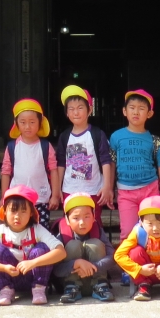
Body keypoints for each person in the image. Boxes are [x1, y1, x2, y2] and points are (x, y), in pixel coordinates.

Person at [0, 185, 67, 306]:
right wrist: (3, 268)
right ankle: (6, 290)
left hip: (34, 276)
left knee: (42, 248)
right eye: (13, 211)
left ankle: (39, 290)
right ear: (5, 211)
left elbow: (61, 252)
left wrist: (33, 263)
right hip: (11, 276)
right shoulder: (0, 231)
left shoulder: (37, 229)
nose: (17, 216)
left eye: (23, 211)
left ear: (31, 213)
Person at [109, 90, 160, 244]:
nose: (136, 112)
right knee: (128, 232)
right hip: (125, 192)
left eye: (141, 108)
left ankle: (153, 257)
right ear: (124, 111)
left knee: (154, 229)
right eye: (132, 107)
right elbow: (111, 164)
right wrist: (109, 189)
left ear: (149, 114)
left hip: (150, 190)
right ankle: (128, 260)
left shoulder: (154, 140)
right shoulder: (116, 137)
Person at [55, 86, 114, 219]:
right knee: (72, 222)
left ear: (90, 110)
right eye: (71, 109)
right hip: (69, 190)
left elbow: (106, 161)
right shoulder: (64, 136)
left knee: (93, 221)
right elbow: (61, 163)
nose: (76, 112)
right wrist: (57, 189)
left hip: (93, 190)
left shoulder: (97, 134)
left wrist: (107, 186)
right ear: (66, 113)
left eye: (80, 108)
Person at [1, 98, 62, 227]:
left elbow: (53, 170)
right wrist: (3, 197)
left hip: (41, 199)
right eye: (23, 122)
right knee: (19, 230)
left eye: (32, 122)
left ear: (40, 122)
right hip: (17, 199)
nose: (27, 126)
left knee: (41, 230)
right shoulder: (12, 147)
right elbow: (6, 172)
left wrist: (55, 195)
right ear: (16, 123)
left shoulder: (45, 146)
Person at [54, 193, 115, 304]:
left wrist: (94, 267)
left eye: (87, 216)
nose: (82, 223)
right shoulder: (62, 236)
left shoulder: (98, 231)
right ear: (67, 220)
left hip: (96, 283)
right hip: (71, 285)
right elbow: (55, 269)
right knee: (73, 245)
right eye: (76, 218)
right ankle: (72, 287)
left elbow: (113, 257)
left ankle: (100, 285)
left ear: (94, 216)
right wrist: (75, 263)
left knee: (95, 244)